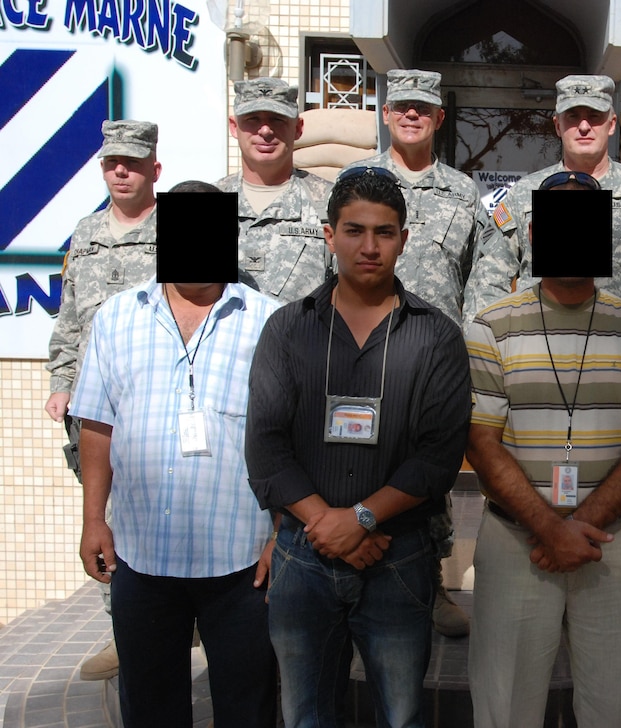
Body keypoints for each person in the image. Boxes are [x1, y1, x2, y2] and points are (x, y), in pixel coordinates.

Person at [245, 167, 472, 728]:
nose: (369, 246)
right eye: (353, 230)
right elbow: (265, 446)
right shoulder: (287, 329)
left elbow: (438, 455)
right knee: (305, 716)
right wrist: (330, 524)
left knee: (400, 716)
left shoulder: (436, 335)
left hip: (399, 556)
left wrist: (364, 518)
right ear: (329, 235)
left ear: (404, 239)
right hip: (304, 554)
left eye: (385, 232)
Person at [464, 173, 621, 727]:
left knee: (610, 707)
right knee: (505, 707)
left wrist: (579, 525)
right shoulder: (489, 328)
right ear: (534, 234)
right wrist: (549, 529)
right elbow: (481, 444)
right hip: (517, 543)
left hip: (609, 542)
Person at [70, 181, 280, 727]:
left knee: (248, 708)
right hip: (141, 557)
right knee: (151, 708)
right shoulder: (117, 317)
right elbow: (96, 423)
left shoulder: (270, 321)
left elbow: (291, 436)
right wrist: (95, 520)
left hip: (243, 560)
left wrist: (284, 534)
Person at [339, 68, 483, 637]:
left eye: (423, 107)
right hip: (365, 349)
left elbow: (478, 280)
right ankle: (350, 575)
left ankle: (435, 587)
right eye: (402, 106)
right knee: (358, 458)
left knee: (434, 470)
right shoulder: (356, 181)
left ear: (439, 117)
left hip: (434, 354)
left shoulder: (464, 192)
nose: (411, 115)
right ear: (385, 111)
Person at [43, 119, 161, 681]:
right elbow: (68, 321)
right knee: (106, 516)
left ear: (153, 170)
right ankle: (124, 631)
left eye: (133, 163)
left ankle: (172, 622)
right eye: (113, 162)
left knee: (160, 507)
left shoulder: (176, 230)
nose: (122, 170)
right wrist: (61, 382)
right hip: (94, 409)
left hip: (153, 401)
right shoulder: (85, 233)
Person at [462, 74, 621, 340]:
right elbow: (488, 280)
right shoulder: (524, 195)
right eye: (573, 116)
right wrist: (486, 349)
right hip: (537, 355)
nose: (584, 126)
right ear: (557, 125)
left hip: (619, 356)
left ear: (612, 124)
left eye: (594, 115)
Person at [218, 77, 333, 301]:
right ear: (234, 126)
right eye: (252, 119)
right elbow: (182, 303)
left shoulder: (331, 201)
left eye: (277, 119)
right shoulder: (203, 204)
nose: (265, 131)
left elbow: (352, 297)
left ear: (298, 128)